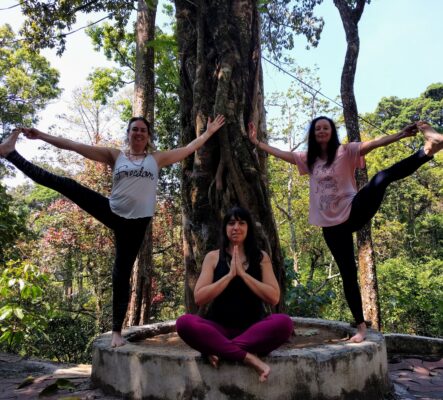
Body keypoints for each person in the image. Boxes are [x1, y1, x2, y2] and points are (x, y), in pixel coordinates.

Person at [0, 114, 225, 348]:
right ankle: (10, 153)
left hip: (137, 224)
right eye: (134, 129)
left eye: (142, 130)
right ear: (128, 134)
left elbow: (188, 149)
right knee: (66, 184)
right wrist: (42, 136)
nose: (138, 133)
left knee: (121, 273)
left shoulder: (156, 159)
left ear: (148, 136)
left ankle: (117, 331)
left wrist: (208, 133)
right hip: (112, 211)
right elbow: (75, 146)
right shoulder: (115, 156)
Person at [248, 118, 443, 343]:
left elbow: (375, 144)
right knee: (348, 274)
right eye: (317, 128)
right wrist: (257, 143)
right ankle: (360, 326)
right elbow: (281, 154)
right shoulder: (308, 159)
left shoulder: (346, 151)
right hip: (331, 227)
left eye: (326, 128)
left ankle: (427, 151)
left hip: (353, 210)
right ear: (313, 134)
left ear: (332, 132)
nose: (321, 131)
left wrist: (401, 134)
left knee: (381, 178)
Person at [176, 206, 293, 382]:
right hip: (218, 329)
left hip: (253, 330)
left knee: (284, 323)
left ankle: (221, 350)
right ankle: (249, 357)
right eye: (231, 223)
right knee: (184, 323)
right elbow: (199, 297)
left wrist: (244, 275)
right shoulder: (213, 257)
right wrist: (229, 276)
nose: (236, 227)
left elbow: (274, 297)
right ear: (225, 228)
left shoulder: (261, 258)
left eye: (241, 223)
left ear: (248, 228)